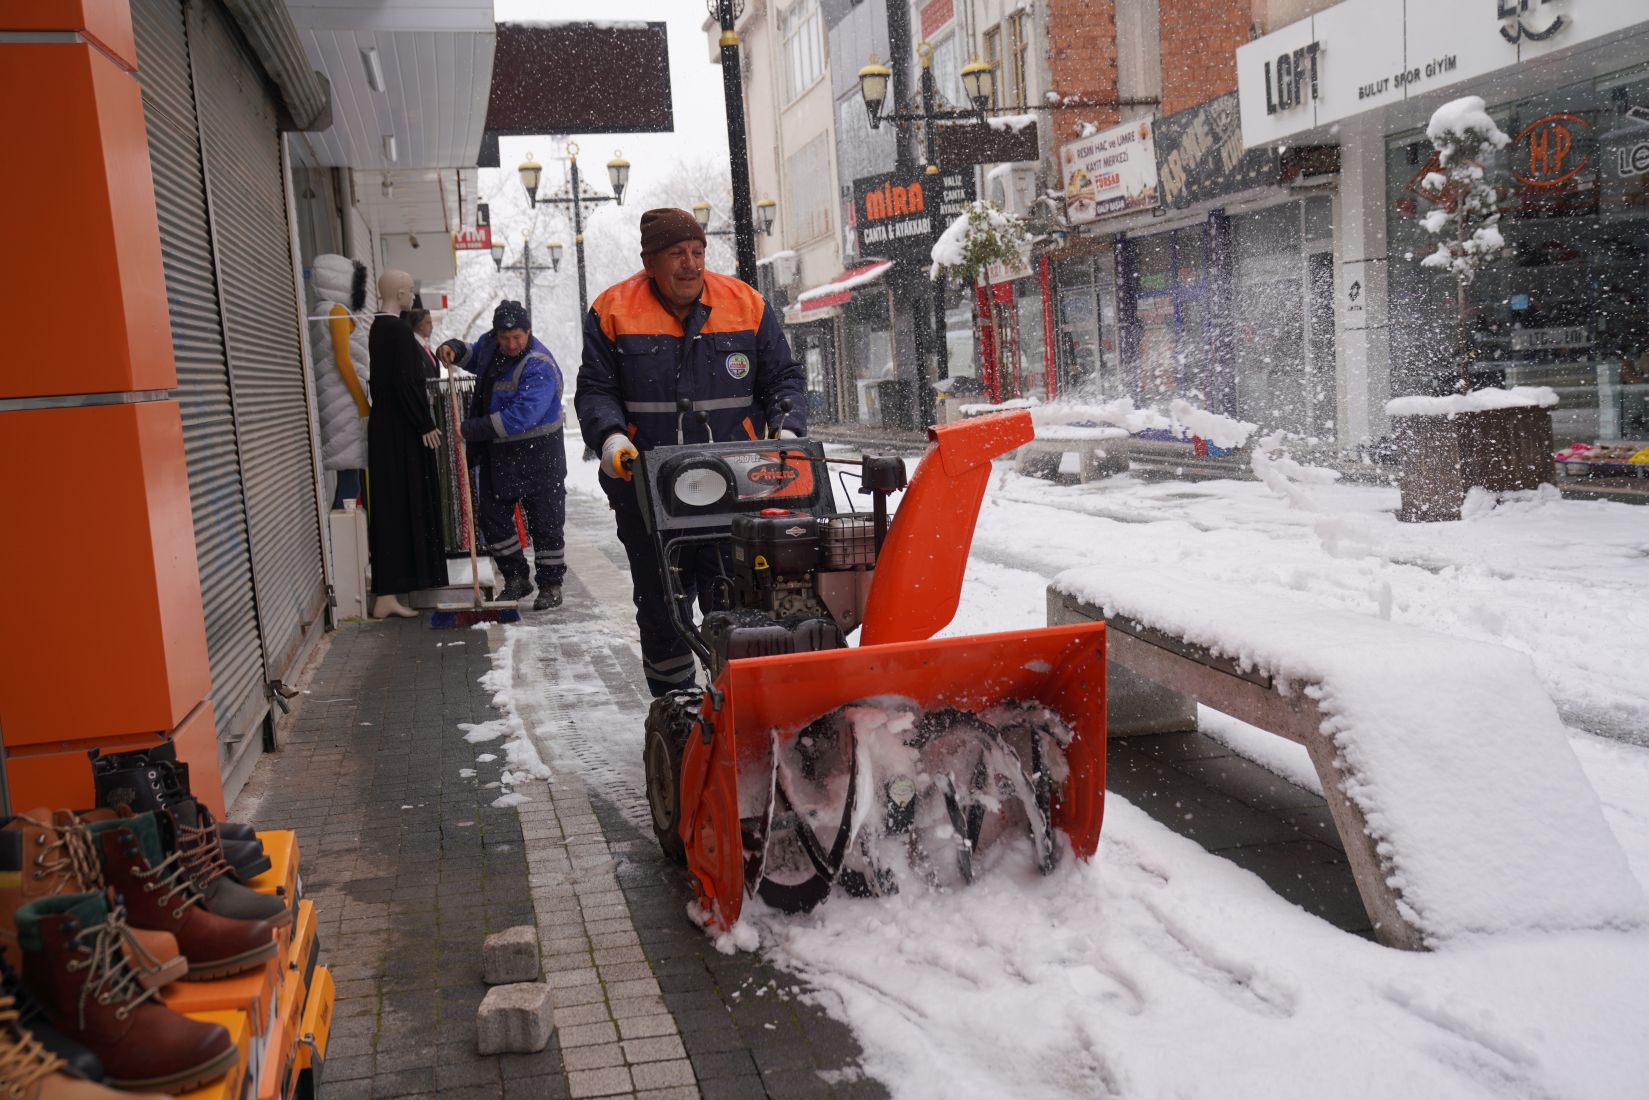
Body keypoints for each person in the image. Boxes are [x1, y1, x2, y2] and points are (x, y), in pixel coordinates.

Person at [575, 208, 805, 696]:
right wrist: (612, 437)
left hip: (735, 485)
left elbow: (783, 379)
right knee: (662, 606)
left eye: (698, 252)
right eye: (677, 254)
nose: (690, 263)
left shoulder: (746, 304)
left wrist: (786, 431)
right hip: (647, 488)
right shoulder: (612, 310)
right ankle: (675, 711)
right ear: (649, 262)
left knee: (736, 598)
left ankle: (733, 703)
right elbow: (596, 390)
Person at [437, 300, 569, 610]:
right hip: (502, 455)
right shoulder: (490, 345)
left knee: (545, 523)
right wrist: (453, 347)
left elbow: (522, 416)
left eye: (517, 338)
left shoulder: (539, 365)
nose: (510, 344)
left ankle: (550, 585)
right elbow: (473, 356)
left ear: (528, 333)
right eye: (504, 338)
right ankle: (515, 578)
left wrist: (472, 429)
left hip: (540, 454)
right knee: (493, 519)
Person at [367, 270, 447, 618]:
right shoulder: (397, 330)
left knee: (392, 505)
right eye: (411, 290)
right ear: (399, 292)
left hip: (389, 428)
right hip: (400, 432)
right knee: (401, 503)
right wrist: (424, 422)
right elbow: (404, 382)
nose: (414, 296)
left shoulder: (381, 327)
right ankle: (390, 590)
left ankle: (390, 591)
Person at [308, 254, 370, 508]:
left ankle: (343, 537)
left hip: (333, 400)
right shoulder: (336, 312)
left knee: (350, 480)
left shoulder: (322, 311)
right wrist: (362, 403)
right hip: (345, 405)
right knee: (349, 483)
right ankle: (342, 542)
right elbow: (344, 362)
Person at [403, 307, 439, 380]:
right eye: (428, 322)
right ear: (420, 325)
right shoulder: (411, 345)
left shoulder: (424, 347)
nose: (432, 327)